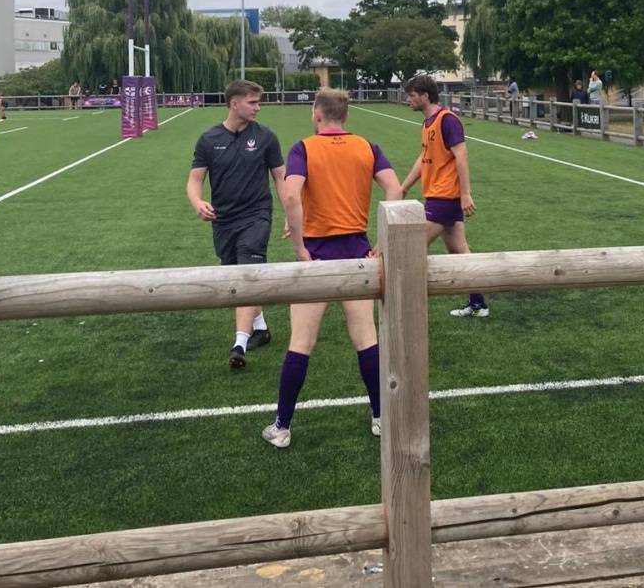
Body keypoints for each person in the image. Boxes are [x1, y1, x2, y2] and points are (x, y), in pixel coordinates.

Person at [261, 88, 402, 448]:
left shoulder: (303, 148)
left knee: (301, 342)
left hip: (318, 252)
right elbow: (395, 190)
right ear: (346, 116)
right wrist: (381, 246)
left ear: (316, 114)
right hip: (356, 250)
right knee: (365, 338)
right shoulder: (367, 147)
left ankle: (283, 426)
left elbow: (291, 195)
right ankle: (381, 417)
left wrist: (299, 247)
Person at [188, 80, 285, 367]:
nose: (258, 107)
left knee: (246, 276)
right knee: (234, 281)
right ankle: (261, 328)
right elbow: (195, 179)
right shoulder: (208, 139)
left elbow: (280, 177)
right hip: (223, 220)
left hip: (257, 216)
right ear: (234, 103)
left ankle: (239, 344)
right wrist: (198, 202)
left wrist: (292, 215)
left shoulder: (266, 137)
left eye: (258, 102)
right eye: (253, 102)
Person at [401, 74, 489, 317]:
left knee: (412, 247)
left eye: (411, 95)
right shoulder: (427, 123)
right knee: (459, 251)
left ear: (425, 96)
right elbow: (424, 158)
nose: (407, 99)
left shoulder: (447, 120)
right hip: (437, 195)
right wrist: (405, 186)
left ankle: (407, 305)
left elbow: (462, 155)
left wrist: (465, 193)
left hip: (445, 197)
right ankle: (478, 303)